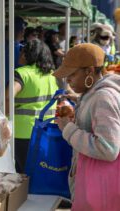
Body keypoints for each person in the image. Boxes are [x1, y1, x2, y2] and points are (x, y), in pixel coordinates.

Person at [53, 43, 120, 209]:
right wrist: (78, 102)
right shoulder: (93, 93)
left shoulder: (103, 97)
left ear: (89, 71)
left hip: (100, 189)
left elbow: (108, 148)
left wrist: (68, 129)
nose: (67, 80)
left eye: (71, 75)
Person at [6, 39, 58, 173]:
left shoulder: (22, 73)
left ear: (27, 54)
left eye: (22, 51)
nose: (20, 55)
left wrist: (5, 117)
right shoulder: (52, 75)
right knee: (40, 172)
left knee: (23, 174)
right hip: (46, 131)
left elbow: (7, 97)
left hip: (22, 133)